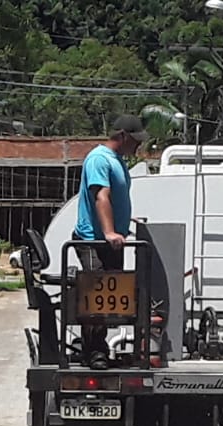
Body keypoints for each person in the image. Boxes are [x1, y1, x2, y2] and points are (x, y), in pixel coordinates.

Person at [73, 114, 147, 368]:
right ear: (123, 136)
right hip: (94, 241)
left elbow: (114, 198)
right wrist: (108, 233)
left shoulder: (117, 161)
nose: (139, 146)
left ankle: (99, 346)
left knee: (113, 297)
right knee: (97, 296)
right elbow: (100, 197)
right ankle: (94, 352)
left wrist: (125, 220)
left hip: (110, 240)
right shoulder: (99, 159)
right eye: (136, 140)